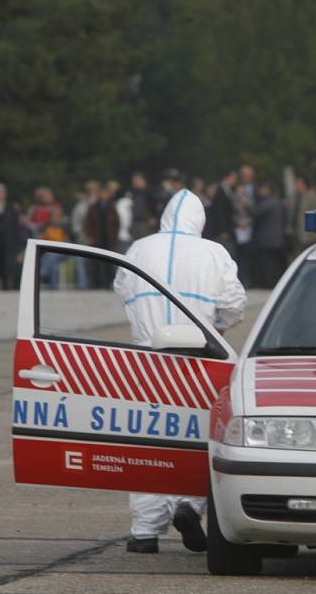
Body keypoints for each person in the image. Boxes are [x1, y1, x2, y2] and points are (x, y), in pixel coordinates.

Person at [113, 188, 246, 554]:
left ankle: (144, 532)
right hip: (197, 361)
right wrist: (215, 327)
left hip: (146, 360)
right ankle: (190, 505)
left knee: (146, 442)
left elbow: (122, 289)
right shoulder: (214, 253)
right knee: (196, 438)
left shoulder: (139, 248)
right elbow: (235, 305)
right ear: (199, 221)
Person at [83, 184, 120, 287]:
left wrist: (114, 236)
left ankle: (108, 282)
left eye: (105, 194)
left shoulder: (112, 208)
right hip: (96, 238)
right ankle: (96, 283)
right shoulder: (93, 207)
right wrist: (90, 236)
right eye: (101, 194)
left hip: (108, 238)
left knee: (108, 262)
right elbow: (87, 223)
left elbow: (117, 224)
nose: (103, 196)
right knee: (95, 262)